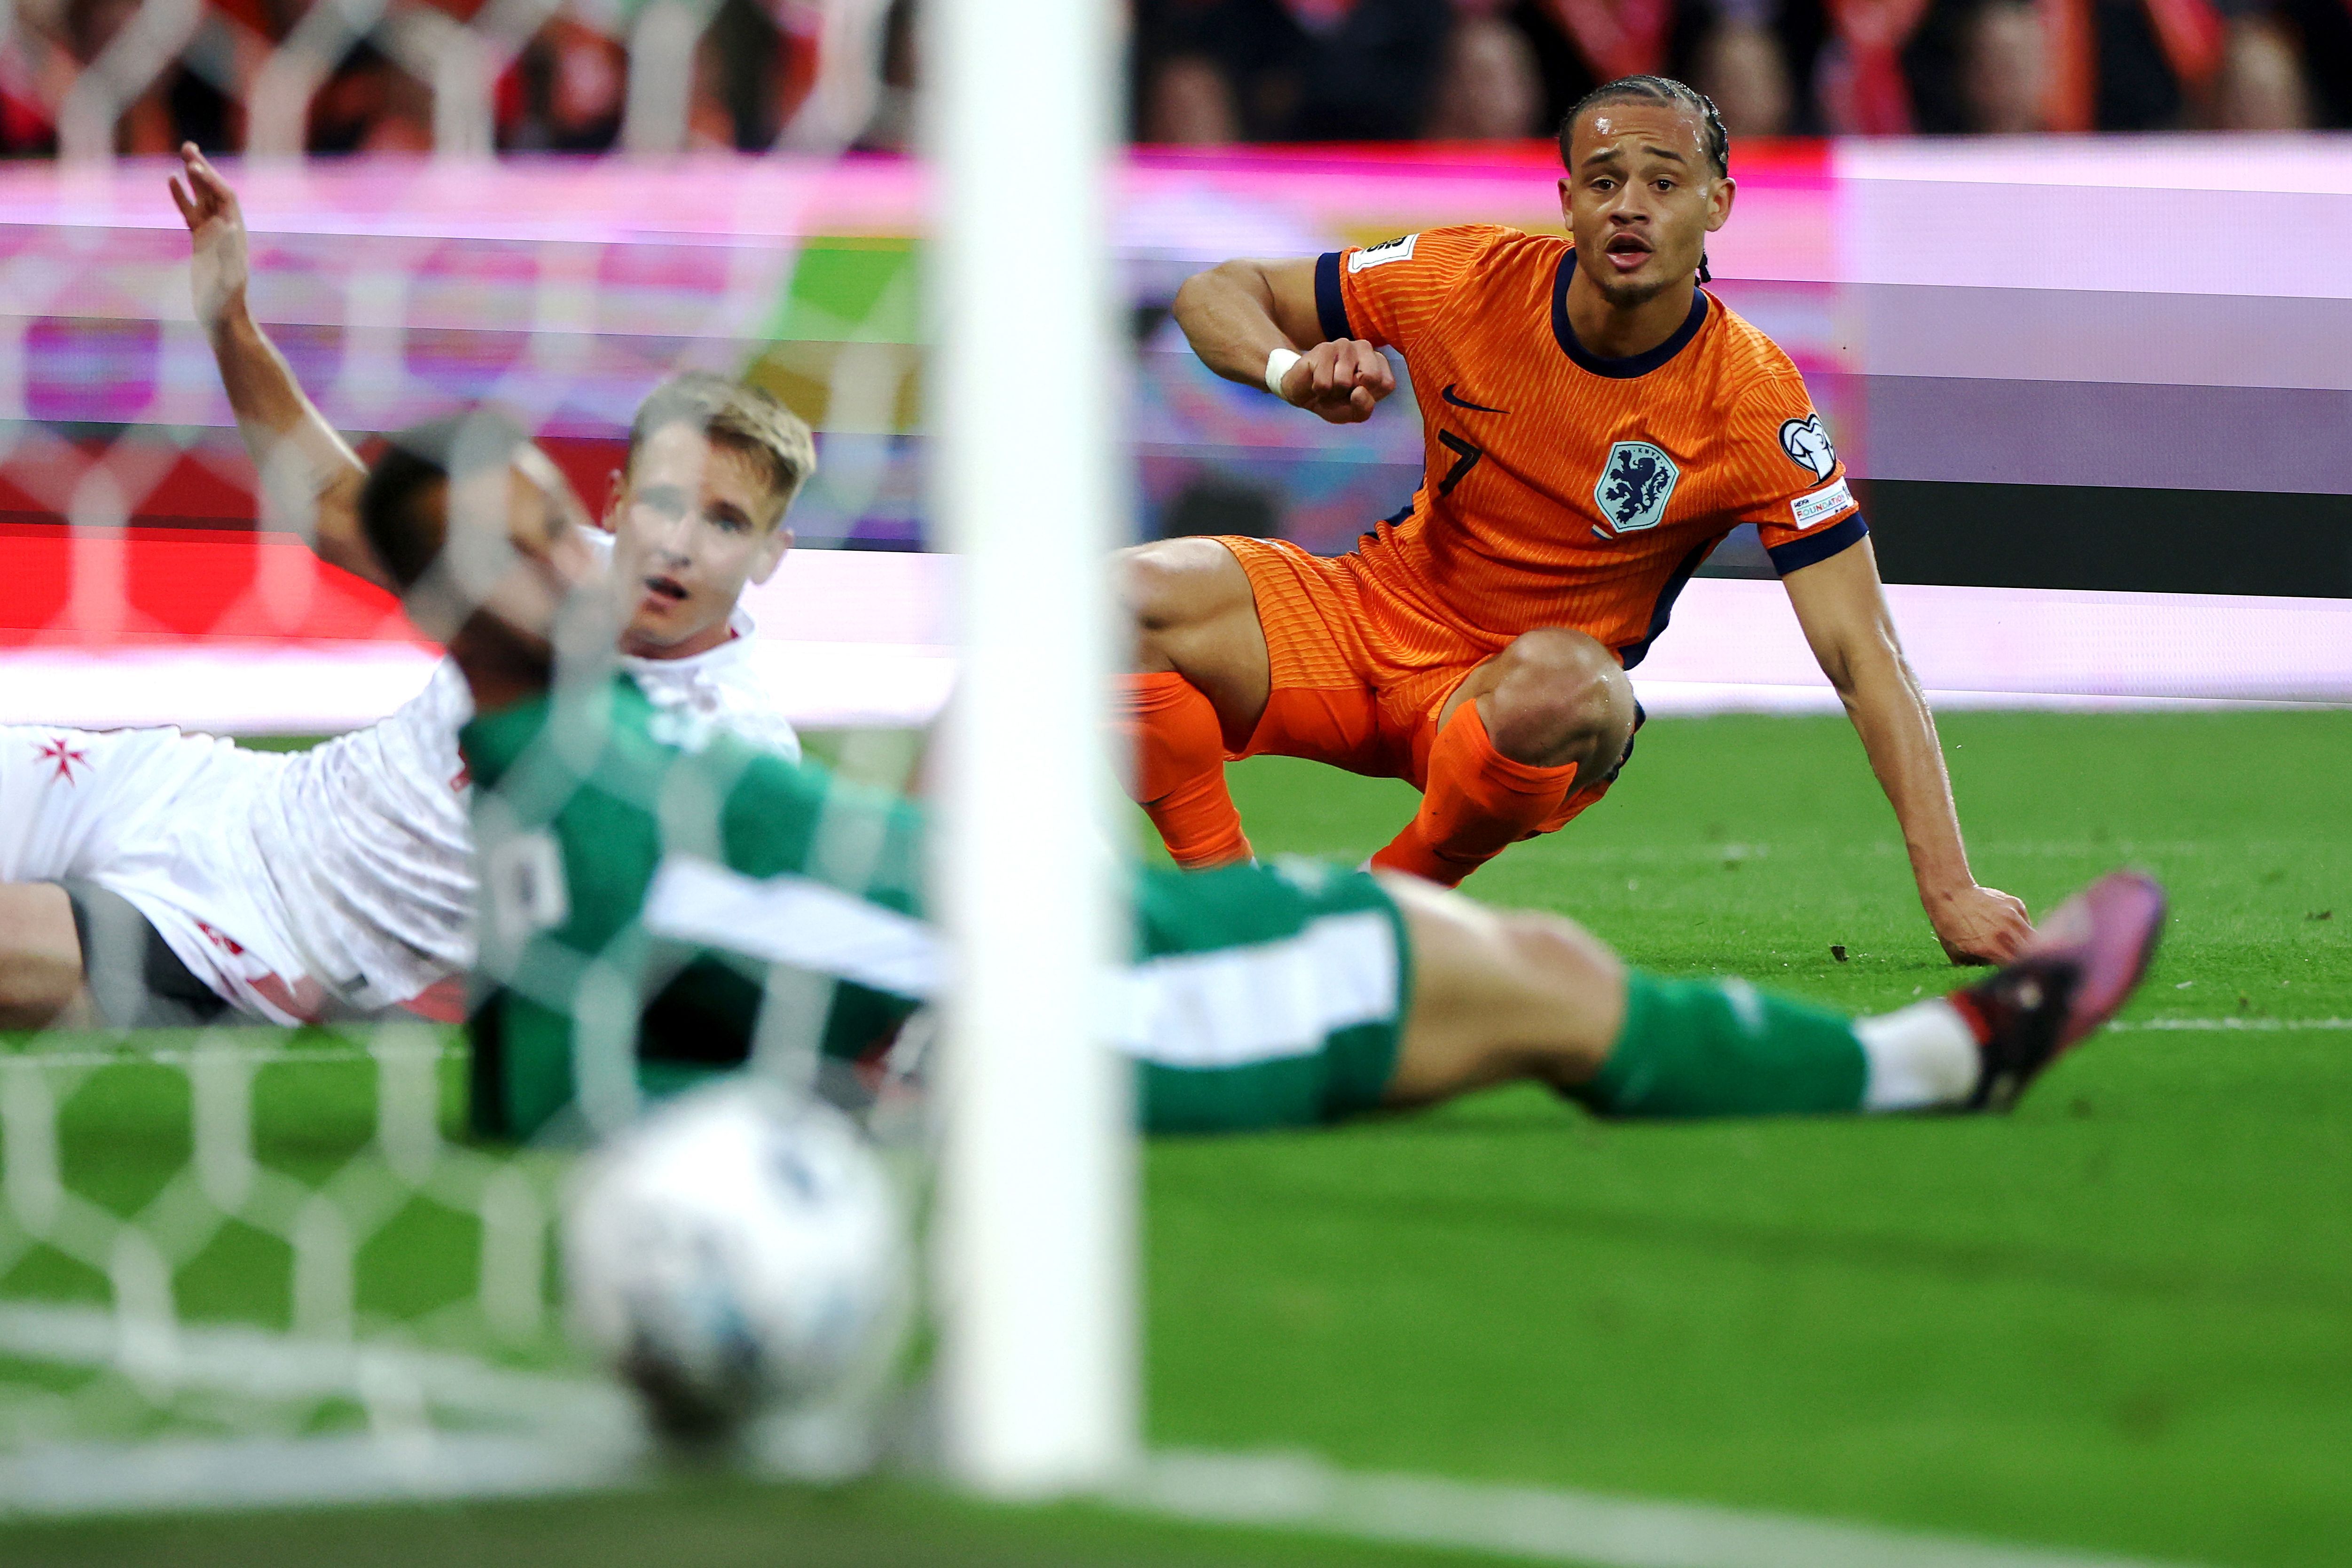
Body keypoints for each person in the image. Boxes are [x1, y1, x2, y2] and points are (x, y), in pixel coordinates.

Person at [357, 411, 2164, 1145]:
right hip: (1082, 1004)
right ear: (484, 589)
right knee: (1534, 985)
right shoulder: (601, 796)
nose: (597, 544)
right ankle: (1943, 1066)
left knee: (1499, 975)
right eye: (543, 532)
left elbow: (538, 1070)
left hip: (1070, 942)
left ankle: (1931, 1064)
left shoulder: (557, 762)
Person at [1121, 74, 2035, 968]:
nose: (1629, 206)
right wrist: (1291, 373)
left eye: (1663, 182)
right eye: (1604, 182)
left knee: (1576, 691)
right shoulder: (1463, 278)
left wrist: (1951, 889)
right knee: (1114, 602)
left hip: (1508, 700)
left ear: (1717, 204)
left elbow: (1862, 652)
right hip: (1361, 618)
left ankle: (1375, 911)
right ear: (1566, 202)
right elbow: (1218, 291)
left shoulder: (1752, 401)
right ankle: (1232, 921)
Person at [0, 148, 806, 1031]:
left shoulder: (736, 745)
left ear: (772, 555)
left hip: (262, 935)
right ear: (615, 504)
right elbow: (332, 503)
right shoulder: (542, 557)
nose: (680, 545)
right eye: (662, 504)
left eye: (726, 523)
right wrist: (230, 320)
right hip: (222, 796)